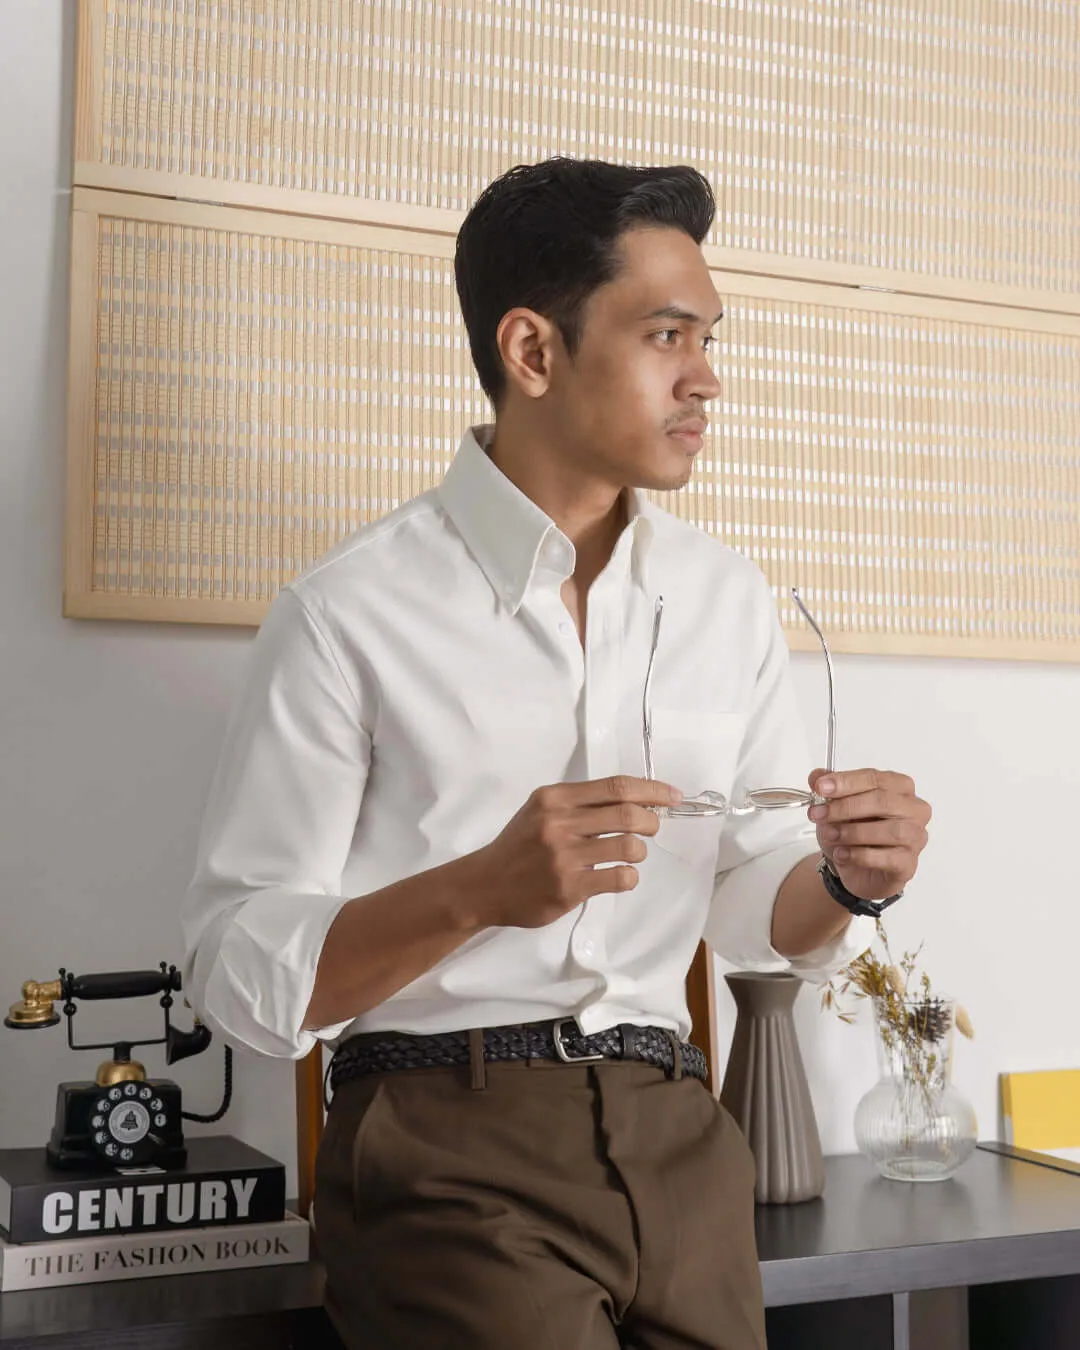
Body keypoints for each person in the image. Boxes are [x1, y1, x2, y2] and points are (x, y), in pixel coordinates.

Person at [182, 158, 931, 1350]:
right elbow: (236, 973)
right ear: (532, 352)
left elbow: (748, 906)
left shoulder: (728, 603)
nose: (707, 378)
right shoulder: (346, 615)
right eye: (668, 334)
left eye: (708, 336)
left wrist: (846, 876)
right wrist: (479, 891)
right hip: (445, 1141)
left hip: (682, 1137)